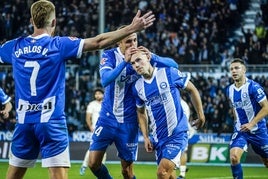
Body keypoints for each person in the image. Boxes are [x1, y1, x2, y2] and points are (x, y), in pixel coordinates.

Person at [0, 0, 155, 179]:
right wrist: (131, 28)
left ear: (31, 21)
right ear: (54, 22)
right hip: (51, 122)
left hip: (24, 121)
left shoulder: (14, 46)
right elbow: (98, 42)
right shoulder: (58, 45)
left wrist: (3, 99)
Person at [88, 28, 179, 178]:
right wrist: (124, 62)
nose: (133, 44)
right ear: (119, 41)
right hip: (107, 118)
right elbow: (105, 79)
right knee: (93, 163)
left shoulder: (141, 58)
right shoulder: (109, 55)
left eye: (135, 40)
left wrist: (154, 57)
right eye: (128, 41)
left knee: (127, 171)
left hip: (129, 122)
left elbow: (174, 65)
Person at [129, 48, 205, 179]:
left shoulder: (168, 73)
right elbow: (141, 113)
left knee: (162, 173)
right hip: (158, 138)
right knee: (170, 176)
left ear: (148, 58)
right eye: (133, 63)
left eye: (138, 60)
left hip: (177, 134)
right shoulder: (137, 87)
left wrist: (201, 115)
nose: (136, 65)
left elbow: (192, 89)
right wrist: (146, 136)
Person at [226, 58, 268, 179]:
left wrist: (251, 123)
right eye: (231, 69)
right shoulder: (229, 90)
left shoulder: (254, 87)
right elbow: (235, 108)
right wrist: (236, 122)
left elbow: (266, 107)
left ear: (244, 70)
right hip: (241, 130)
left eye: (237, 68)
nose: (234, 71)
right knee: (234, 157)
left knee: (266, 162)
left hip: (258, 130)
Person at [80, 88, 105, 176]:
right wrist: (90, 127)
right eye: (96, 94)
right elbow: (88, 117)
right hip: (96, 130)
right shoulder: (92, 104)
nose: (97, 95)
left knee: (103, 150)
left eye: (99, 93)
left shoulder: (106, 103)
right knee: (93, 148)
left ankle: (101, 167)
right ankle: (84, 165)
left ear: (103, 94)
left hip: (106, 129)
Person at [177, 98, 197, 179]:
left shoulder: (181, 104)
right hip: (182, 129)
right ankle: (181, 170)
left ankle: (182, 173)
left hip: (181, 130)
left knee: (182, 151)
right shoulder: (184, 104)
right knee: (182, 151)